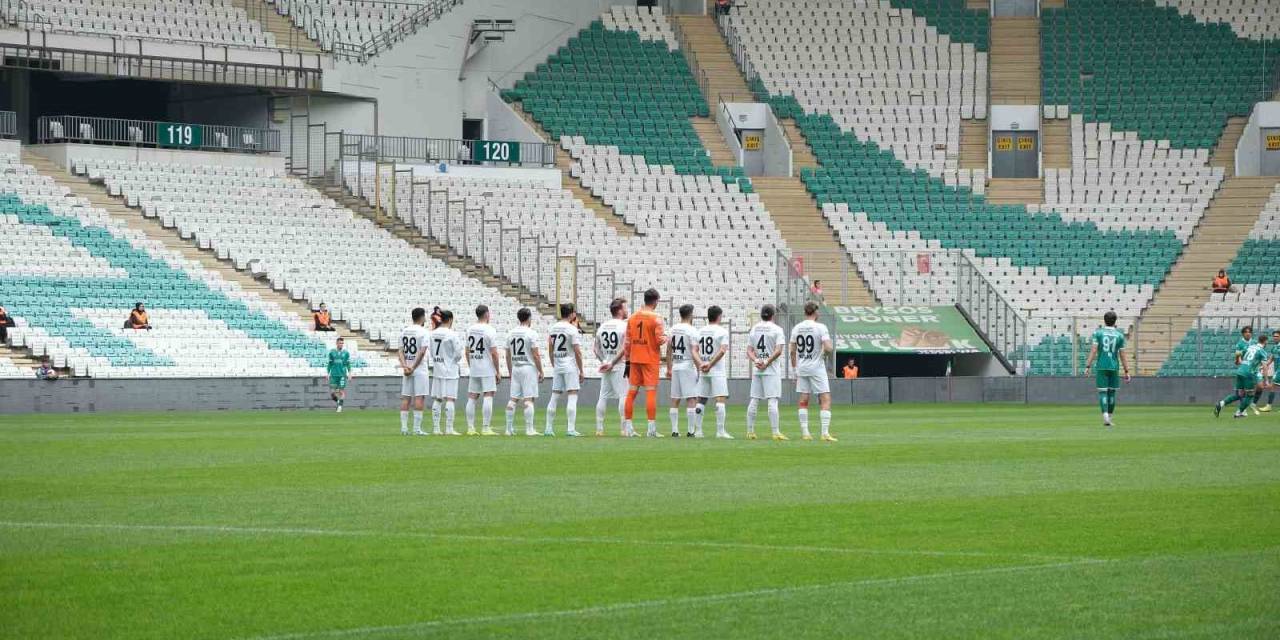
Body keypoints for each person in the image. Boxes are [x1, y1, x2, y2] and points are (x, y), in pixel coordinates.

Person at [624, 288, 667, 438]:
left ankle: (628, 428)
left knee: (632, 392)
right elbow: (660, 340)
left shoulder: (632, 317)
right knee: (650, 392)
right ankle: (651, 429)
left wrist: (628, 360)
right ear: (655, 301)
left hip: (635, 358)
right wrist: (668, 337)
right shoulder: (657, 318)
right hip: (650, 359)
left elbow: (627, 342)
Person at [791, 302, 836, 442]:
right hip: (816, 367)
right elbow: (829, 347)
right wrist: (823, 350)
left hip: (802, 367)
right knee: (825, 398)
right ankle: (824, 433)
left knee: (804, 399)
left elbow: (792, 351)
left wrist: (794, 369)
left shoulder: (797, 328)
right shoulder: (821, 327)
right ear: (815, 312)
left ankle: (805, 433)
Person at [746, 304, 788, 440]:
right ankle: (775, 432)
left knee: (754, 399)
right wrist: (767, 362)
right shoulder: (777, 329)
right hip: (771, 369)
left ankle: (750, 431)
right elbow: (778, 350)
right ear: (773, 315)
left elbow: (749, 351)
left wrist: (756, 361)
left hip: (758, 369)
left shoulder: (754, 329)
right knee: (772, 400)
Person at [1083, 311, 1130, 428]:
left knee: (1103, 392)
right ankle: (1110, 417)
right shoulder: (1119, 335)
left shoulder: (1098, 333)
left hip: (1101, 366)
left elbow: (1094, 351)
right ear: (1115, 321)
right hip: (1114, 367)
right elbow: (1122, 354)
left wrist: (1087, 366)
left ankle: (1105, 418)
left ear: (1104, 320)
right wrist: (1127, 371)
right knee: (1112, 392)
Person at [546, 304, 585, 436]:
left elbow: (550, 350)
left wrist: (554, 364)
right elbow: (577, 352)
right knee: (572, 395)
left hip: (558, 365)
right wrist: (581, 370)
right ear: (572, 314)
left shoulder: (553, 328)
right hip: (569, 365)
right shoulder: (572, 329)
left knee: (555, 395)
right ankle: (570, 429)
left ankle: (548, 428)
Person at [594, 297, 631, 437]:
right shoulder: (624, 326)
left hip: (606, 365)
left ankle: (599, 429)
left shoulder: (602, 326)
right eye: (625, 308)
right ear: (620, 310)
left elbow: (595, 349)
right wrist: (613, 363)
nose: (627, 310)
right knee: (623, 395)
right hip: (619, 365)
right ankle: (624, 429)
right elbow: (625, 348)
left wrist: (605, 361)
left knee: (603, 396)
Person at [505, 308, 544, 436]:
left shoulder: (511, 333)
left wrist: (510, 371)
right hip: (528, 367)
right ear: (529, 318)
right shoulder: (531, 333)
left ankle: (508, 429)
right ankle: (529, 429)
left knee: (513, 399)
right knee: (528, 399)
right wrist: (541, 371)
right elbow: (536, 354)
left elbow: (507, 354)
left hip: (516, 367)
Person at [465, 305, 502, 436]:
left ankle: (470, 428)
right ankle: (485, 428)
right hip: (486, 367)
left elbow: (467, 351)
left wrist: (471, 366)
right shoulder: (490, 330)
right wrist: (497, 371)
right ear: (487, 314)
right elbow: (494, 353)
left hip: (474, 367)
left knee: (472, 396)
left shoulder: (470, 329)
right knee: (488, 394)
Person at [667, 304, 703, 438]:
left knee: (675, 398)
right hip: (687, 365)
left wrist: (669, 368)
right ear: (691, 314)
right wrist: (699, 370)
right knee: (691, 398)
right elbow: (694, 352)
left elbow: (668, 350)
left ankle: (674, 430)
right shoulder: (693, 331)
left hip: (676, 366)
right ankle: (690, 431)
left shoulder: (672, 329)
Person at [696, 305, 732, 439]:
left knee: (701, 399)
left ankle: (698, 431)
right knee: (720, 398)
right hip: (716, 369)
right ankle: (720, 431)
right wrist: (710, 364)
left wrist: (702, 363)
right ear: (719, 316)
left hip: (703, 368)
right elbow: (722, 350)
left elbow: (695, 350)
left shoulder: (700, 331)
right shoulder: (722, 331)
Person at [1217, 333, 1270, 419]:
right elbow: (1264, 366)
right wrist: (1266, 380)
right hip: (1249, 373)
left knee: (1240, 394)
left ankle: (1221, 403)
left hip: (1240, 371)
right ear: (1265, 341)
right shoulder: (1262, 351)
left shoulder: (1250, 346)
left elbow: (1238, 353)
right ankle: (1239, 413)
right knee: (1250, 395)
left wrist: (1237, 361)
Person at [429, 309, 464, 436]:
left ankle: (436, 428)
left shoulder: (433, 334)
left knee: (438, 399)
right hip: (450, 370)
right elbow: (458, 354)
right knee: (450, 399)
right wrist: (451, 362)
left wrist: (439, 361)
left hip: (438, 369)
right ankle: (449, 428)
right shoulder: (452, 334)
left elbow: (432, 353)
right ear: (450, 320)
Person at [398, 307, 432, 435]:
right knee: (419, 397)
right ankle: (417, 429)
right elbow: (422, 352)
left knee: (406, 398)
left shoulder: (404, 331)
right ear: (422, 317)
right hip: (419, 369)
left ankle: (404, 428)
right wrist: (413, 367)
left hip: (407, 368)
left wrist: (405, 366)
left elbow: (400, 350)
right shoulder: (424, 332)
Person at [326, 337, 353, 412]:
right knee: (332, 393)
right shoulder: (332, 352)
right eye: (340, 343)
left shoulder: (346, 353)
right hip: (334, 375)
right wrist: (328, 373)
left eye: (342, 343)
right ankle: (338, 401)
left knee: (341, 391)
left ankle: (340, 406)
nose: (341, 344)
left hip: (342, 375)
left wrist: (350, 373)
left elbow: (348, 364)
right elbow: (330, 364)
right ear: (336, 343)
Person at [1261, 330, 1280, 412]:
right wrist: (1263, 366)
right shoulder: (1274, 347)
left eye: (1277, 336)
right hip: (1277, 370)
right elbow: (1271, 359)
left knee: (1272, 385)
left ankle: (1269, 406)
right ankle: (1269, 406)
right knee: (1273, 386)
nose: (1275, 338)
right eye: (1274, 336)